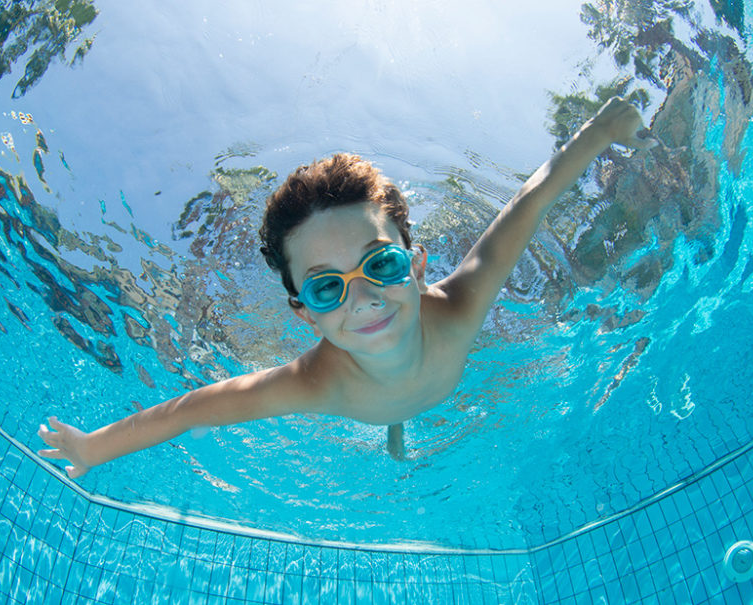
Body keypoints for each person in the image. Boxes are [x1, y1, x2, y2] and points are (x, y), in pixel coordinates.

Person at [38, 97, 655, 477]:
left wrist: (597, 133)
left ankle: (396, 425)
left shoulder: (461, 306)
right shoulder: (314, 382)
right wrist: (94, 447)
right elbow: (193, 409)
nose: (362, 298)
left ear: (415, 268)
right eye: (327, 289)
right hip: (379, 400)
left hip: (425, 381)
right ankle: (395, 427)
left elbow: (527, 204)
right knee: (396, 421)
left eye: (380, 265)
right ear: (304, 313)